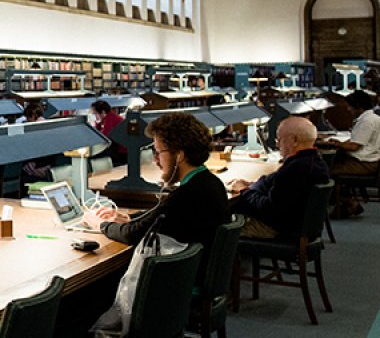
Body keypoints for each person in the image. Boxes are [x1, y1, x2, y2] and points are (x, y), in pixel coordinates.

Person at [85, 112, 229, 257]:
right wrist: (130, 218)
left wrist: (101, 225)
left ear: (179, 155)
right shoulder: (209, 182)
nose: (156, 160)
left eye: (159, 152)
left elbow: (133, 235)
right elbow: (159, 215)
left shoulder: (185, 195)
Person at [228, 117, 330, 238]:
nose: (277, 144)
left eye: (279, 139)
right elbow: (274, 182)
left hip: (281, 229)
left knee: (223, 230)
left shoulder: (296, 169)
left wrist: (244, 191)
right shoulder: (313, 161)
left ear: (294, 140)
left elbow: (268, 210)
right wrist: (251, 185)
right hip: (295, 224)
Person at [91, 100, 127, 165]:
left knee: (93, 155)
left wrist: (97, 123)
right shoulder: (108, 117)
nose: (94, 116)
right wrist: (98, 123)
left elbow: (104, 137)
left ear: (103, 112)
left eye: (95, 114)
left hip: (122, 153)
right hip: (118, 149)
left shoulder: (110, 118)